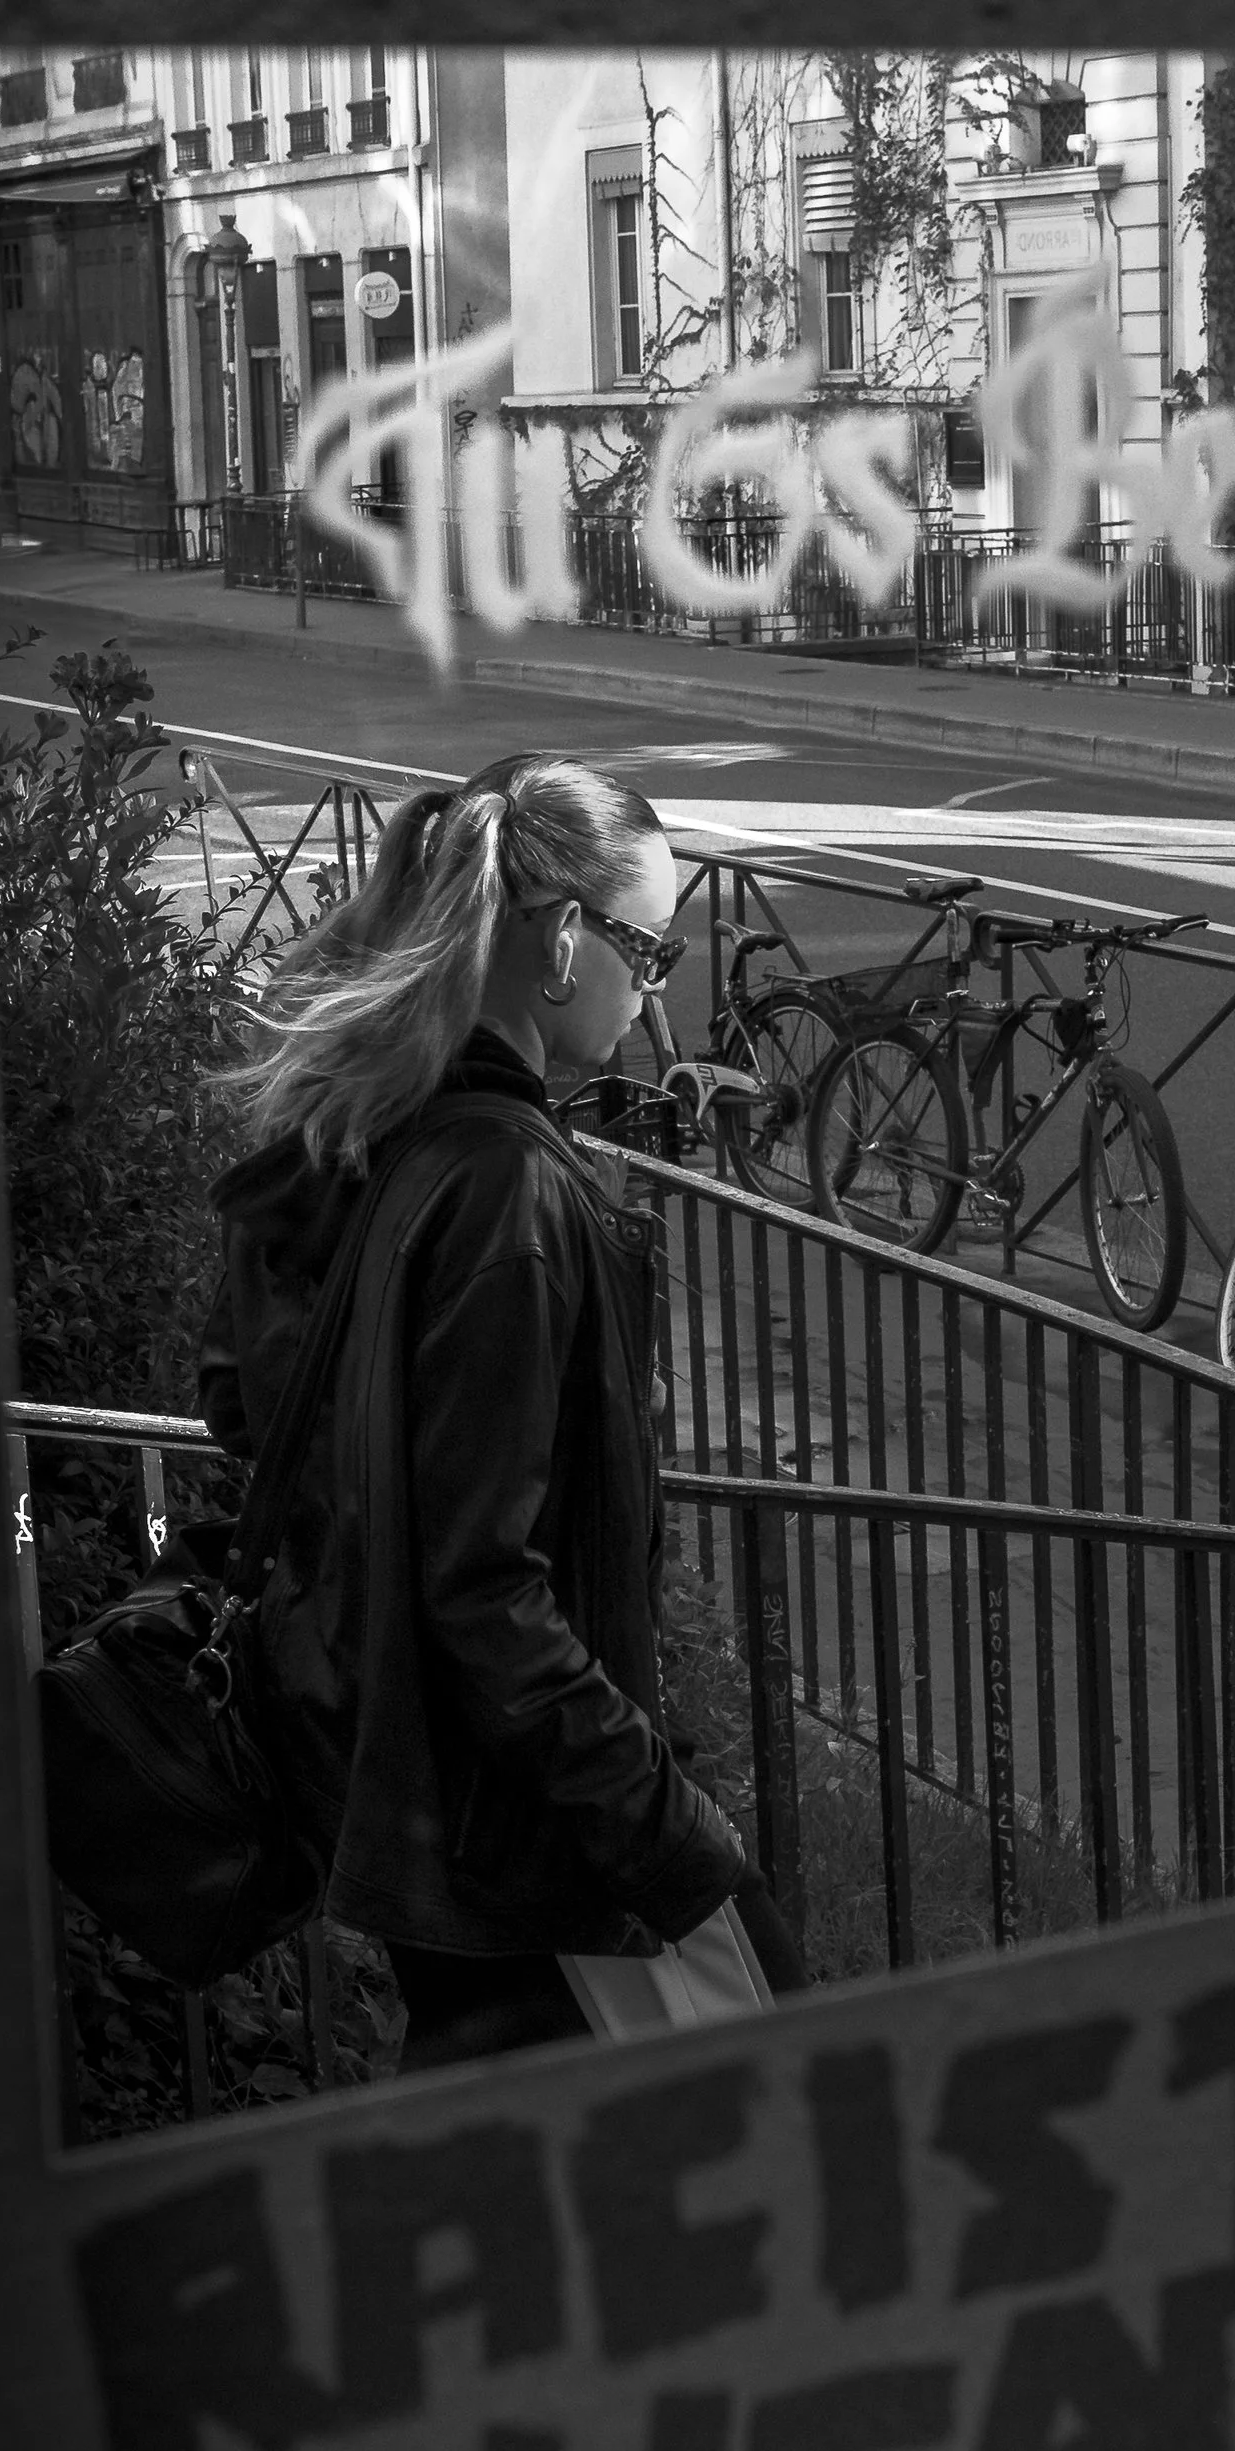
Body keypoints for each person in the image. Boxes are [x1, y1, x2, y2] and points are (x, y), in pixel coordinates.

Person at [199, 750, 800, 2070]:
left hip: (428, 1815)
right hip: (545, 1850)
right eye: (653, 953)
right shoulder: (512, 1197)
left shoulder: (366, 1136)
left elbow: (240, 1408)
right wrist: (666, 1834)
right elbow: (486, 1585)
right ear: (566, 939)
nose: (658, 1001)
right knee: (772, 2148)